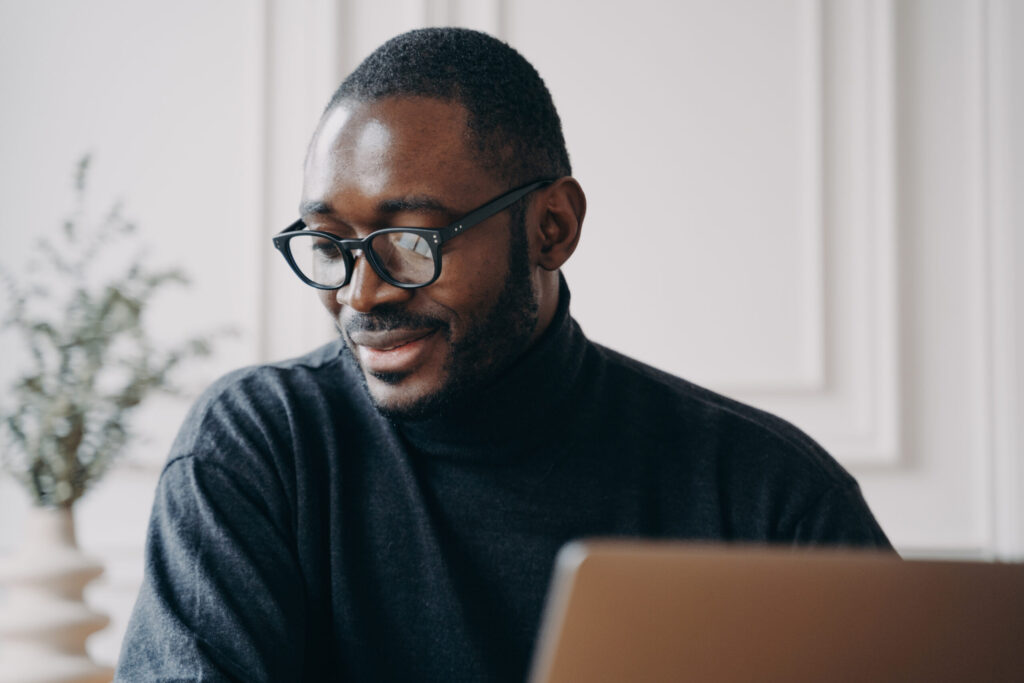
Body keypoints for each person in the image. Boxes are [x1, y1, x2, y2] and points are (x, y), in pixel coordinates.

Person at [116, 27, 892, 682]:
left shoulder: (764, 490)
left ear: (552, 226)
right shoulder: (259, 450)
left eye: (410, 242)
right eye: (332, 245)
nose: (360, 297)